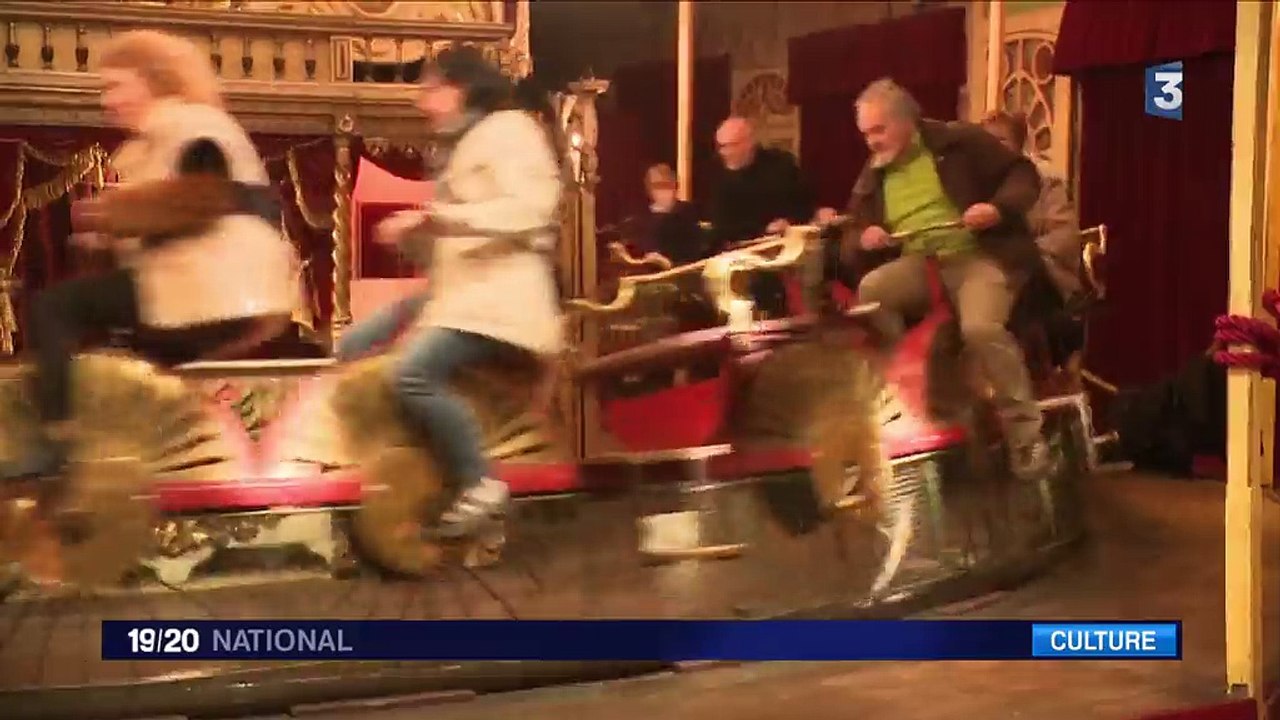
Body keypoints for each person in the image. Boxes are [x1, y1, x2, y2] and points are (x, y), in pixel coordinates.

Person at [1, 30, 299, 482]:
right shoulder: (166, 136)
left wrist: (115, 214)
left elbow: (203, 197)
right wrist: (106, 240)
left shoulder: (191, 126)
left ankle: (56, 444)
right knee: (119, 352)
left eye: (117, 85)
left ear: (151, 81)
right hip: (204, 290)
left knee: (52, 309)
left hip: (215, 290)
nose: (108, 100)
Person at [334, 45, 563, 538]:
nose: (422, 101)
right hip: (459, 294)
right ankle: (408, 459)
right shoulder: (462, 144)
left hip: (501, 298)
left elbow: (533, 210)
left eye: (430, 88)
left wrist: (437, 218)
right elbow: (451, 240)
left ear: (459, 88)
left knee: (412, 375)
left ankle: (478, 479)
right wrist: (416, 235)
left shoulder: (511, 130)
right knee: (353, 347)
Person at [839, 79, 1049, 479]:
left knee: (981, 329)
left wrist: (996, 208)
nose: (871, 142)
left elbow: (1023, 175)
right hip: (922, 263)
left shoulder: (959, 140)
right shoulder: (875, 172)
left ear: (906, 122)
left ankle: (1027, 438)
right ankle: (924, 399)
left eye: (878, 131)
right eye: (865, 134)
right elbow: (852, 231)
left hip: (978, 256)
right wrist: (865, 237)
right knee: (872, 292)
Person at [709, 117, 816, 316]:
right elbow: (721, 228)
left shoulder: (781, 165)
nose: (724, 153)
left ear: (749, 142)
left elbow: (806, 205)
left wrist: (788, 222)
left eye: (730, 146)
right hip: (743, 250)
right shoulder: (720, 179)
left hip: (788, 244)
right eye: (721, 147)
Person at [981, 111, 1082, 302]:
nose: (992, 147)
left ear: (1018, 146)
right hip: (985, 278)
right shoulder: (973, 183)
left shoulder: (1046, 181)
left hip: (1040, 277)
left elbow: (1064, 239)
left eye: (1001, 140)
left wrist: (1017, 258)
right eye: (986, 141)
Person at [627, 164, 711, 265]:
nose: (662, 190)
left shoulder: (688, 213)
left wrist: (668, 263)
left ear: (675, 186)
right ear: (649, 189)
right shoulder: (639, 219)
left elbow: (694, 252)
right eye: (657, 185)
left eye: (666, 184)